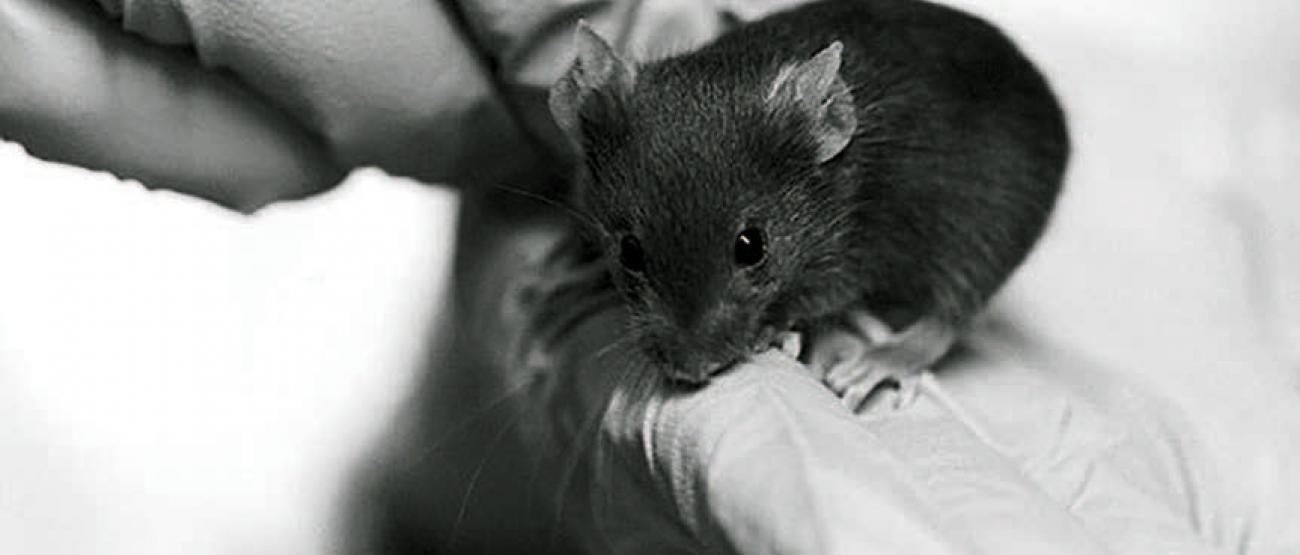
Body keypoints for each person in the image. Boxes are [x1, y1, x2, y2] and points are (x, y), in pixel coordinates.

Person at [4, 1, 1298, 553]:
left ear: (827, 139)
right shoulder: (640, 130)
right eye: (627, 255)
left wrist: (907, 332)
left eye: (748, 260)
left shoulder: (821, 141)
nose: (685, 348)